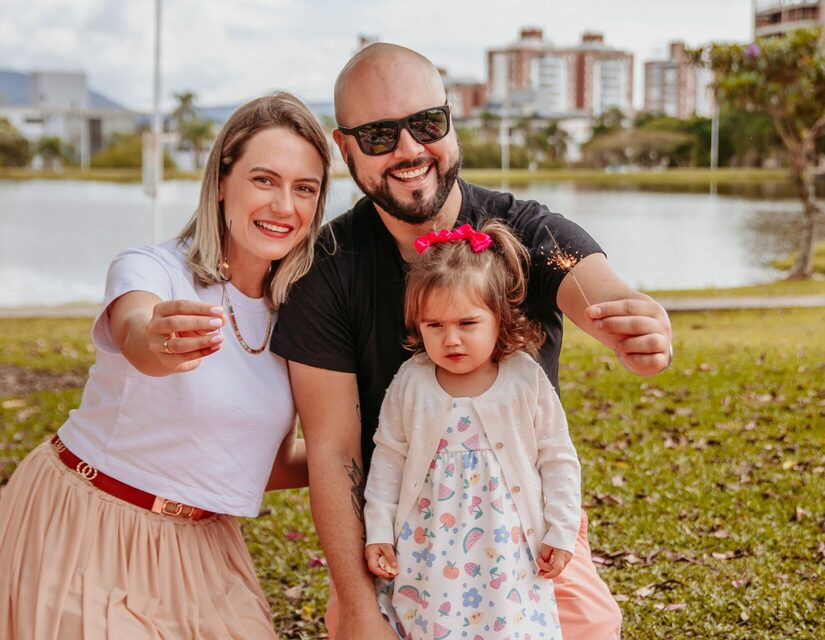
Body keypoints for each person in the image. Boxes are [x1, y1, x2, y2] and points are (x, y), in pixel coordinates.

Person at [271, 44, 672, 640]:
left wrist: (636, 322)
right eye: (379, 136)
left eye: (426, 124)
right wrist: (358, 608)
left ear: (451, 119)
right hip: (403, 539)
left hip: (527, 530)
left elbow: (589, 283)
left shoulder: (526, 230)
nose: (409, 150)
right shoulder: (325, 272)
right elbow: (335, 452)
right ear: (344, 145)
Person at [0, 91, 331, 639]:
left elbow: (257, 459)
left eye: (304, 188)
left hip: (202, 543)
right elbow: (138, 332)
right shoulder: (154, 268)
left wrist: (359, 457)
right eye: (265, 180)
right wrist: (156, 341)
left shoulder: (301, 315)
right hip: (87, 524)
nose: (285, 206)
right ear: (221, 182)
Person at [363, 220, 586, 640]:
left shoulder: (523, 379)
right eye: (434, 326)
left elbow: (557, 457)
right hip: (429, 547)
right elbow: (388, 459)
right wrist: (378, 530)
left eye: (467, 324)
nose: (451, 340)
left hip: (508, 547)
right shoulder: (412, 382)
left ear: (499, 318)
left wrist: (561, 529)